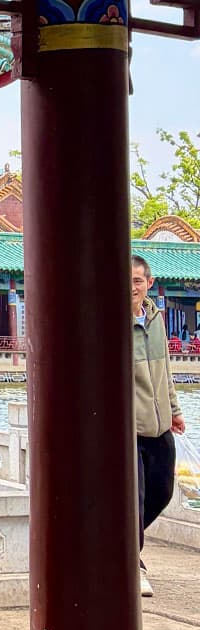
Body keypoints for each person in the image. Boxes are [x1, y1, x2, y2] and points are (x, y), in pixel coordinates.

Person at [131, 255, 186, 597]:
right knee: (131, 498)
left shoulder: (155, 318)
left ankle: (119, 544)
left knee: (162, 490)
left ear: (148, 283)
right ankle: (130, 561)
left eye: (137, 281)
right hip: (128, 428)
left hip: (159, 424)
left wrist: (175, 410)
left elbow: (164, 368)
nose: (131, 287)